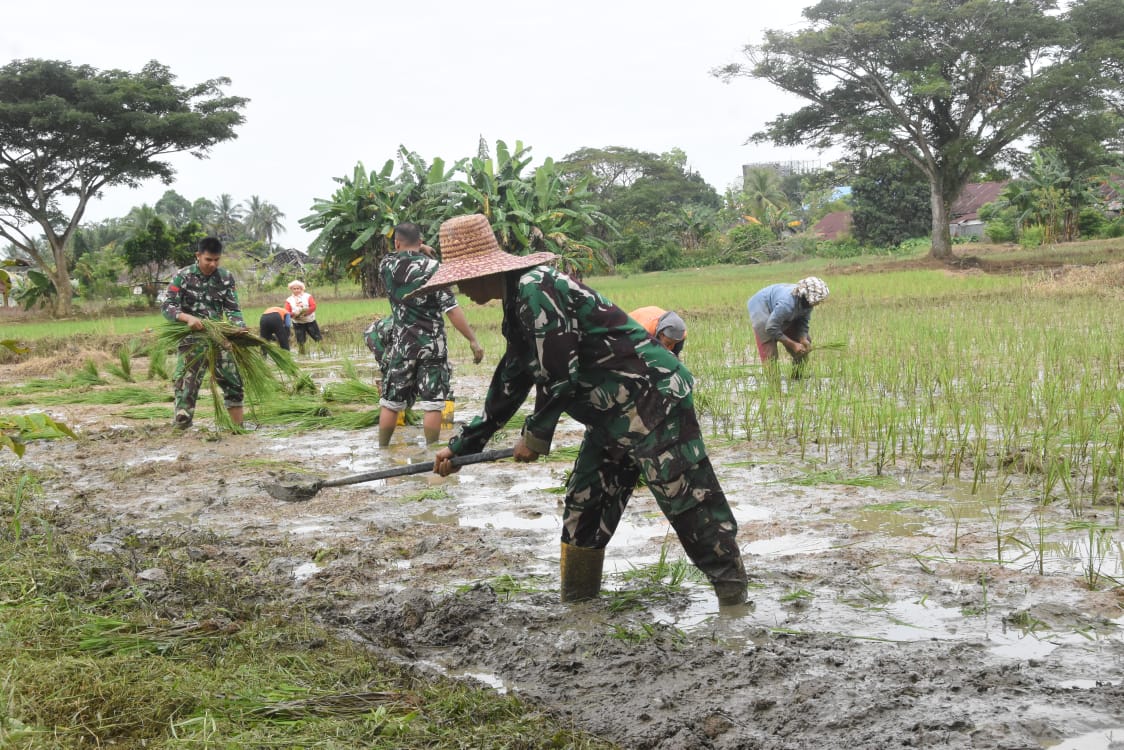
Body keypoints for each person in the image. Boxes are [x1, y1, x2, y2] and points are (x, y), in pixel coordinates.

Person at [420, 214, 748, 607]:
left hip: (652, 401)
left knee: (688, 502)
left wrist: (535, 436)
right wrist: (463, 446)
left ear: (483, 270)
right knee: (585, 505)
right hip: (610, 416)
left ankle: (735, 604)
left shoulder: (536, 287)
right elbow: (510, 379)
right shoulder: (518, 302)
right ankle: (579, 610)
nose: (460, 288)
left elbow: (560, 372)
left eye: (460, 278)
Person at [378, 221, 485, 447]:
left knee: (390, 401)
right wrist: (473, 340)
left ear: (397, 242)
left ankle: (383, 448)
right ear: (421, 241)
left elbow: (394, 254)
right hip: (432, 346)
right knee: (433, 403)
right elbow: (451, 310)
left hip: (401, 345)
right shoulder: (434, 268)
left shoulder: (386, 265)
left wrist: (414, 249)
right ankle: (430, 451)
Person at [162, 237, 247, 430]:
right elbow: (168, 306)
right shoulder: (182, 276)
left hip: (219, 337)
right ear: (198, 256)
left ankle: (238, 428)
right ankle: (182, 427)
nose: (213, 264)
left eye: (217, 260)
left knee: (233, 381)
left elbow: (232, 309)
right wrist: (187, 318)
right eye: (208, 260)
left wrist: (238, 327)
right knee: (186, 384)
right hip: (192, 338)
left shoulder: (225, 277)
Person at [746, 277, 830, 372]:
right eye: (818, 301)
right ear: (806, 297)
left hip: (779, 308)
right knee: (770, 353)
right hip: (761, 306)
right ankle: (773, 383)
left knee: (804, 345)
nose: (818, 303)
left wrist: (802, 338)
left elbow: (803, 322)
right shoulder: (787, 304)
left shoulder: (808, 303)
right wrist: (793, 344)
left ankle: (797, 377)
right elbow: (771, 327)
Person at [285, 280, 322, 352]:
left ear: (301, 288)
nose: (296, 290)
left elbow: (313, 306)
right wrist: (294, 314)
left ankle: (324, 352)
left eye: (298, 288)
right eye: (294, 289)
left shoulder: (308, 296)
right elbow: (287, 312)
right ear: (291, 289)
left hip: (310, 321)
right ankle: (302, 355)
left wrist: (305, 313)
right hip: (298, 323)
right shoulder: (289, 300)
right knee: (300, 342)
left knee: (318, 338)